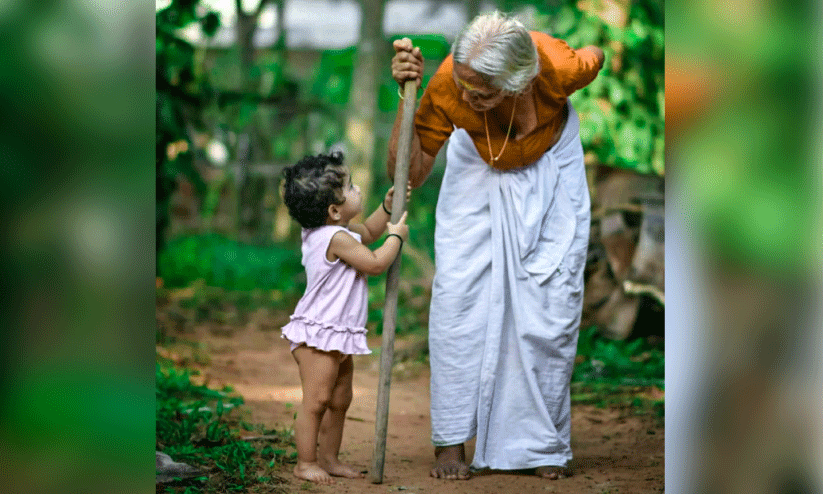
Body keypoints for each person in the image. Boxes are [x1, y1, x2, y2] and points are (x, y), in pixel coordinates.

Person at [387, 11, 604, 481]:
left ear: (520, 83)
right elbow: (411, 173)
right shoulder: (449, 85)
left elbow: (597, 56)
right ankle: (450, 442)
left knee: (550, 305)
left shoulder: (560, 68)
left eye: (481, 92)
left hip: (552, 157)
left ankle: (541, 443)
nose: (466, 96)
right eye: (463, 86)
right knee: (459, 298)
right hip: (476, 162)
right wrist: (408, 99)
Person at [280, 151, 410, 485]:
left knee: (340, 399)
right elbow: (376, 262)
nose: (357, 189)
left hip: (336, 334)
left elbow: (366, 232)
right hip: (318, 336)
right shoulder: (335, 238)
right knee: (317, 401)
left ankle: (329, 458)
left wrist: (384, 210)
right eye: (350, 186)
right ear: (334, 210)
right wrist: (396, 236)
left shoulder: (338, 232)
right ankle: (305, 462)